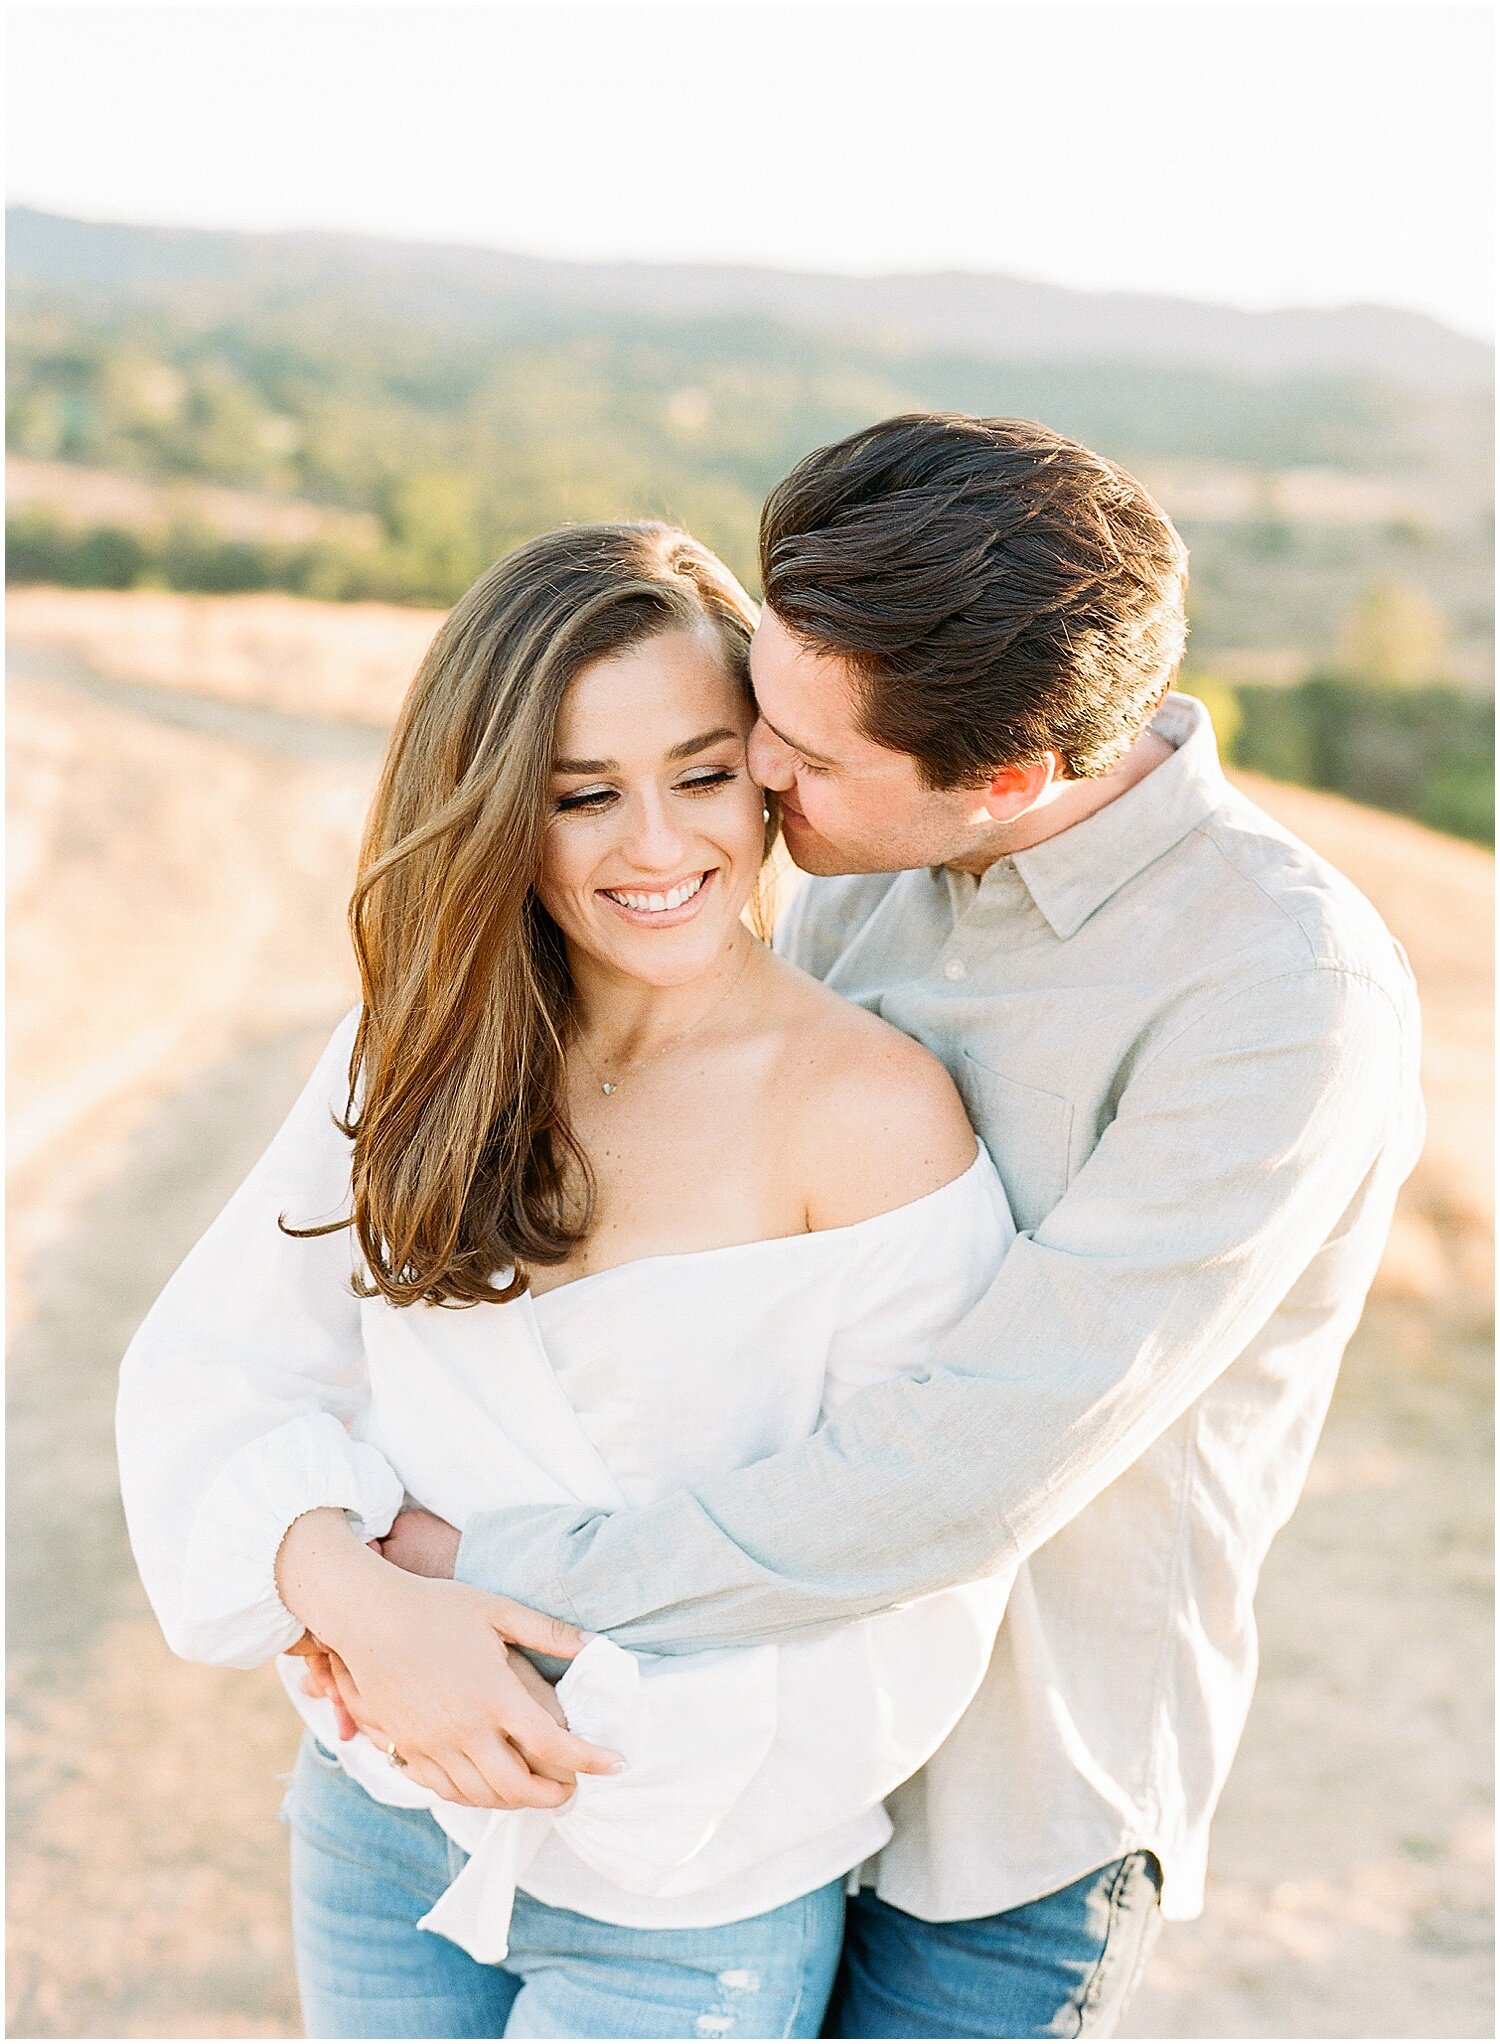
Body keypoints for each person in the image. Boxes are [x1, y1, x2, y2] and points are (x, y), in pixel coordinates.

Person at [367, 415, 1425, 2039]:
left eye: (800, 756)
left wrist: (487, 1578)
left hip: (1000, 1830)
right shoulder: (861, 847)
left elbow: (964, 1464)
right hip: (730, 1742)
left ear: (1004, 782)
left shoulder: (1278, 995)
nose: (753, 779)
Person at [115, 520, 1027, 2040]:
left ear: (768, 772)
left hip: (686, 1890)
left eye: (704, 774)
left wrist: (517, 1686)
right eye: (581, 797)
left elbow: (915, 1572)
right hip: (377, 1821)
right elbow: (217, 1368)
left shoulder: (873, 1117)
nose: (661, 849)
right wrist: (358, 1603)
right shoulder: (417, 1052)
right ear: (489, 814)